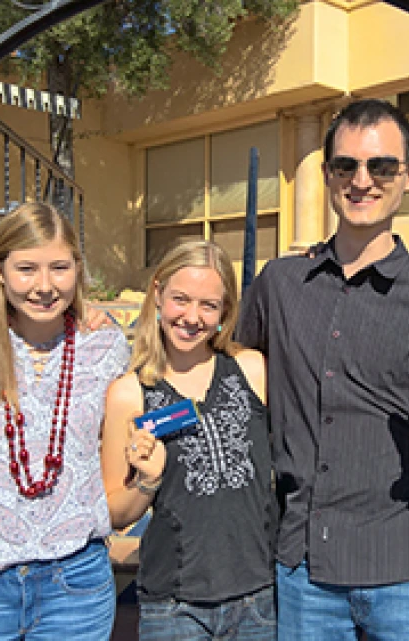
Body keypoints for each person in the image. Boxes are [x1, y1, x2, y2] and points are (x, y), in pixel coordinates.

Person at [235, 98, 409, 641]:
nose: (363, 180)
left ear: (408, 175)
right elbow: (223, 367)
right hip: (305, 572)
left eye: (381, 167)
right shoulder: (280, 285)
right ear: (327, 174)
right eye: (346, 166)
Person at [0, 202, 130, 641]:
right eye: (27, 269)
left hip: (74, 585)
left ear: (78, 268)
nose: (44, 286)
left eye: (59, 268)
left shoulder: (106, 346)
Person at [101, 240, 275, 640]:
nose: (192, 317)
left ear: (224, 313)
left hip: (258, 599)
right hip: (174, 605)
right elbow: (115, 513)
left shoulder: (250, 369)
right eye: (181, 299)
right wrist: (147, 480)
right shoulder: (130, 393)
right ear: (158, 294)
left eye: (208, 305)